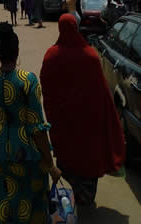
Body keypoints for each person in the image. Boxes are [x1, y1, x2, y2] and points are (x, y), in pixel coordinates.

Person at [0, 22, 61, 224]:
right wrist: (50, 163)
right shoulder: (27, 79)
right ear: (17, 50)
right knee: (30, 204)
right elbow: (37, 127)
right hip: (26, 154)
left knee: (4, 200)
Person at [40, 14, 125, 206]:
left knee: (67, 156)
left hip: (63, 121)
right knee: (87, 156)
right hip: (88, 121)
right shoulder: (90, 54)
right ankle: (85, 196)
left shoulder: (52, 55)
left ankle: (69, 194)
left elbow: (45, 87)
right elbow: (102, 92)